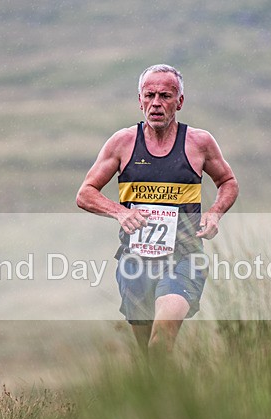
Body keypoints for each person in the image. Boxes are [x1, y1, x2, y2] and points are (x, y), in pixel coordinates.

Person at [76, 64, 239, 355]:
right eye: (149, 95)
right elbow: (85, 194)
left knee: (161, 341)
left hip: (184, 257)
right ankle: (164, 398)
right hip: (135, 262)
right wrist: (120, 212)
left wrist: (215, 212)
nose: (156, 103)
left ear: (180, 102)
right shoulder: (123, 143)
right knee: (147, 355)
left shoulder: (198, 143)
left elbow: (228, 182)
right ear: (139, 100)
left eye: (165, 95)